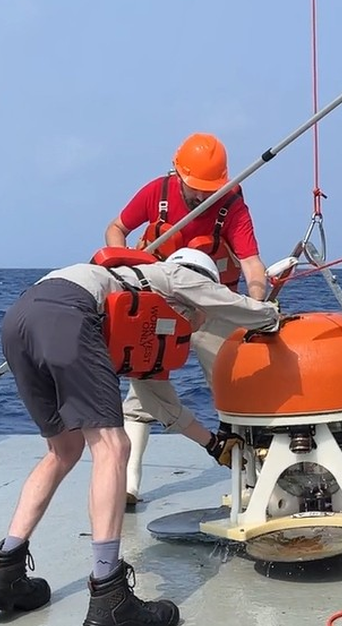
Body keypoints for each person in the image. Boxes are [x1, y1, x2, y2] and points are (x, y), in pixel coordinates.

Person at [0, 247, 281, 626]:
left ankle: (5, 572)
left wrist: (212, 443)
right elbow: (223, 301)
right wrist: (270, 317)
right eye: (198, 316)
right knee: (113, 447)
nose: (195, 326)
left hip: (19, 320)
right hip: (69, 314)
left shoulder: (137, 313)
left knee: (63, 450)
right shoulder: (172, 275)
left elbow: (159, 403)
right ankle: (110, 595)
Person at [103, 132, 271, 507]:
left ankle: (253, 479)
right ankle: (129, 483)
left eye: (209, 188)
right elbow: (116, 227)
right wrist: (125, 259)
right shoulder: (156, 192)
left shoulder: (232, 207)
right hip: (162, 305)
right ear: (178, 173)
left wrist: (255, 301)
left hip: (212, 308)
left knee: (234, 387)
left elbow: (251, 262)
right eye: (195, 187)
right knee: (143, 390)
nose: (201, 195)